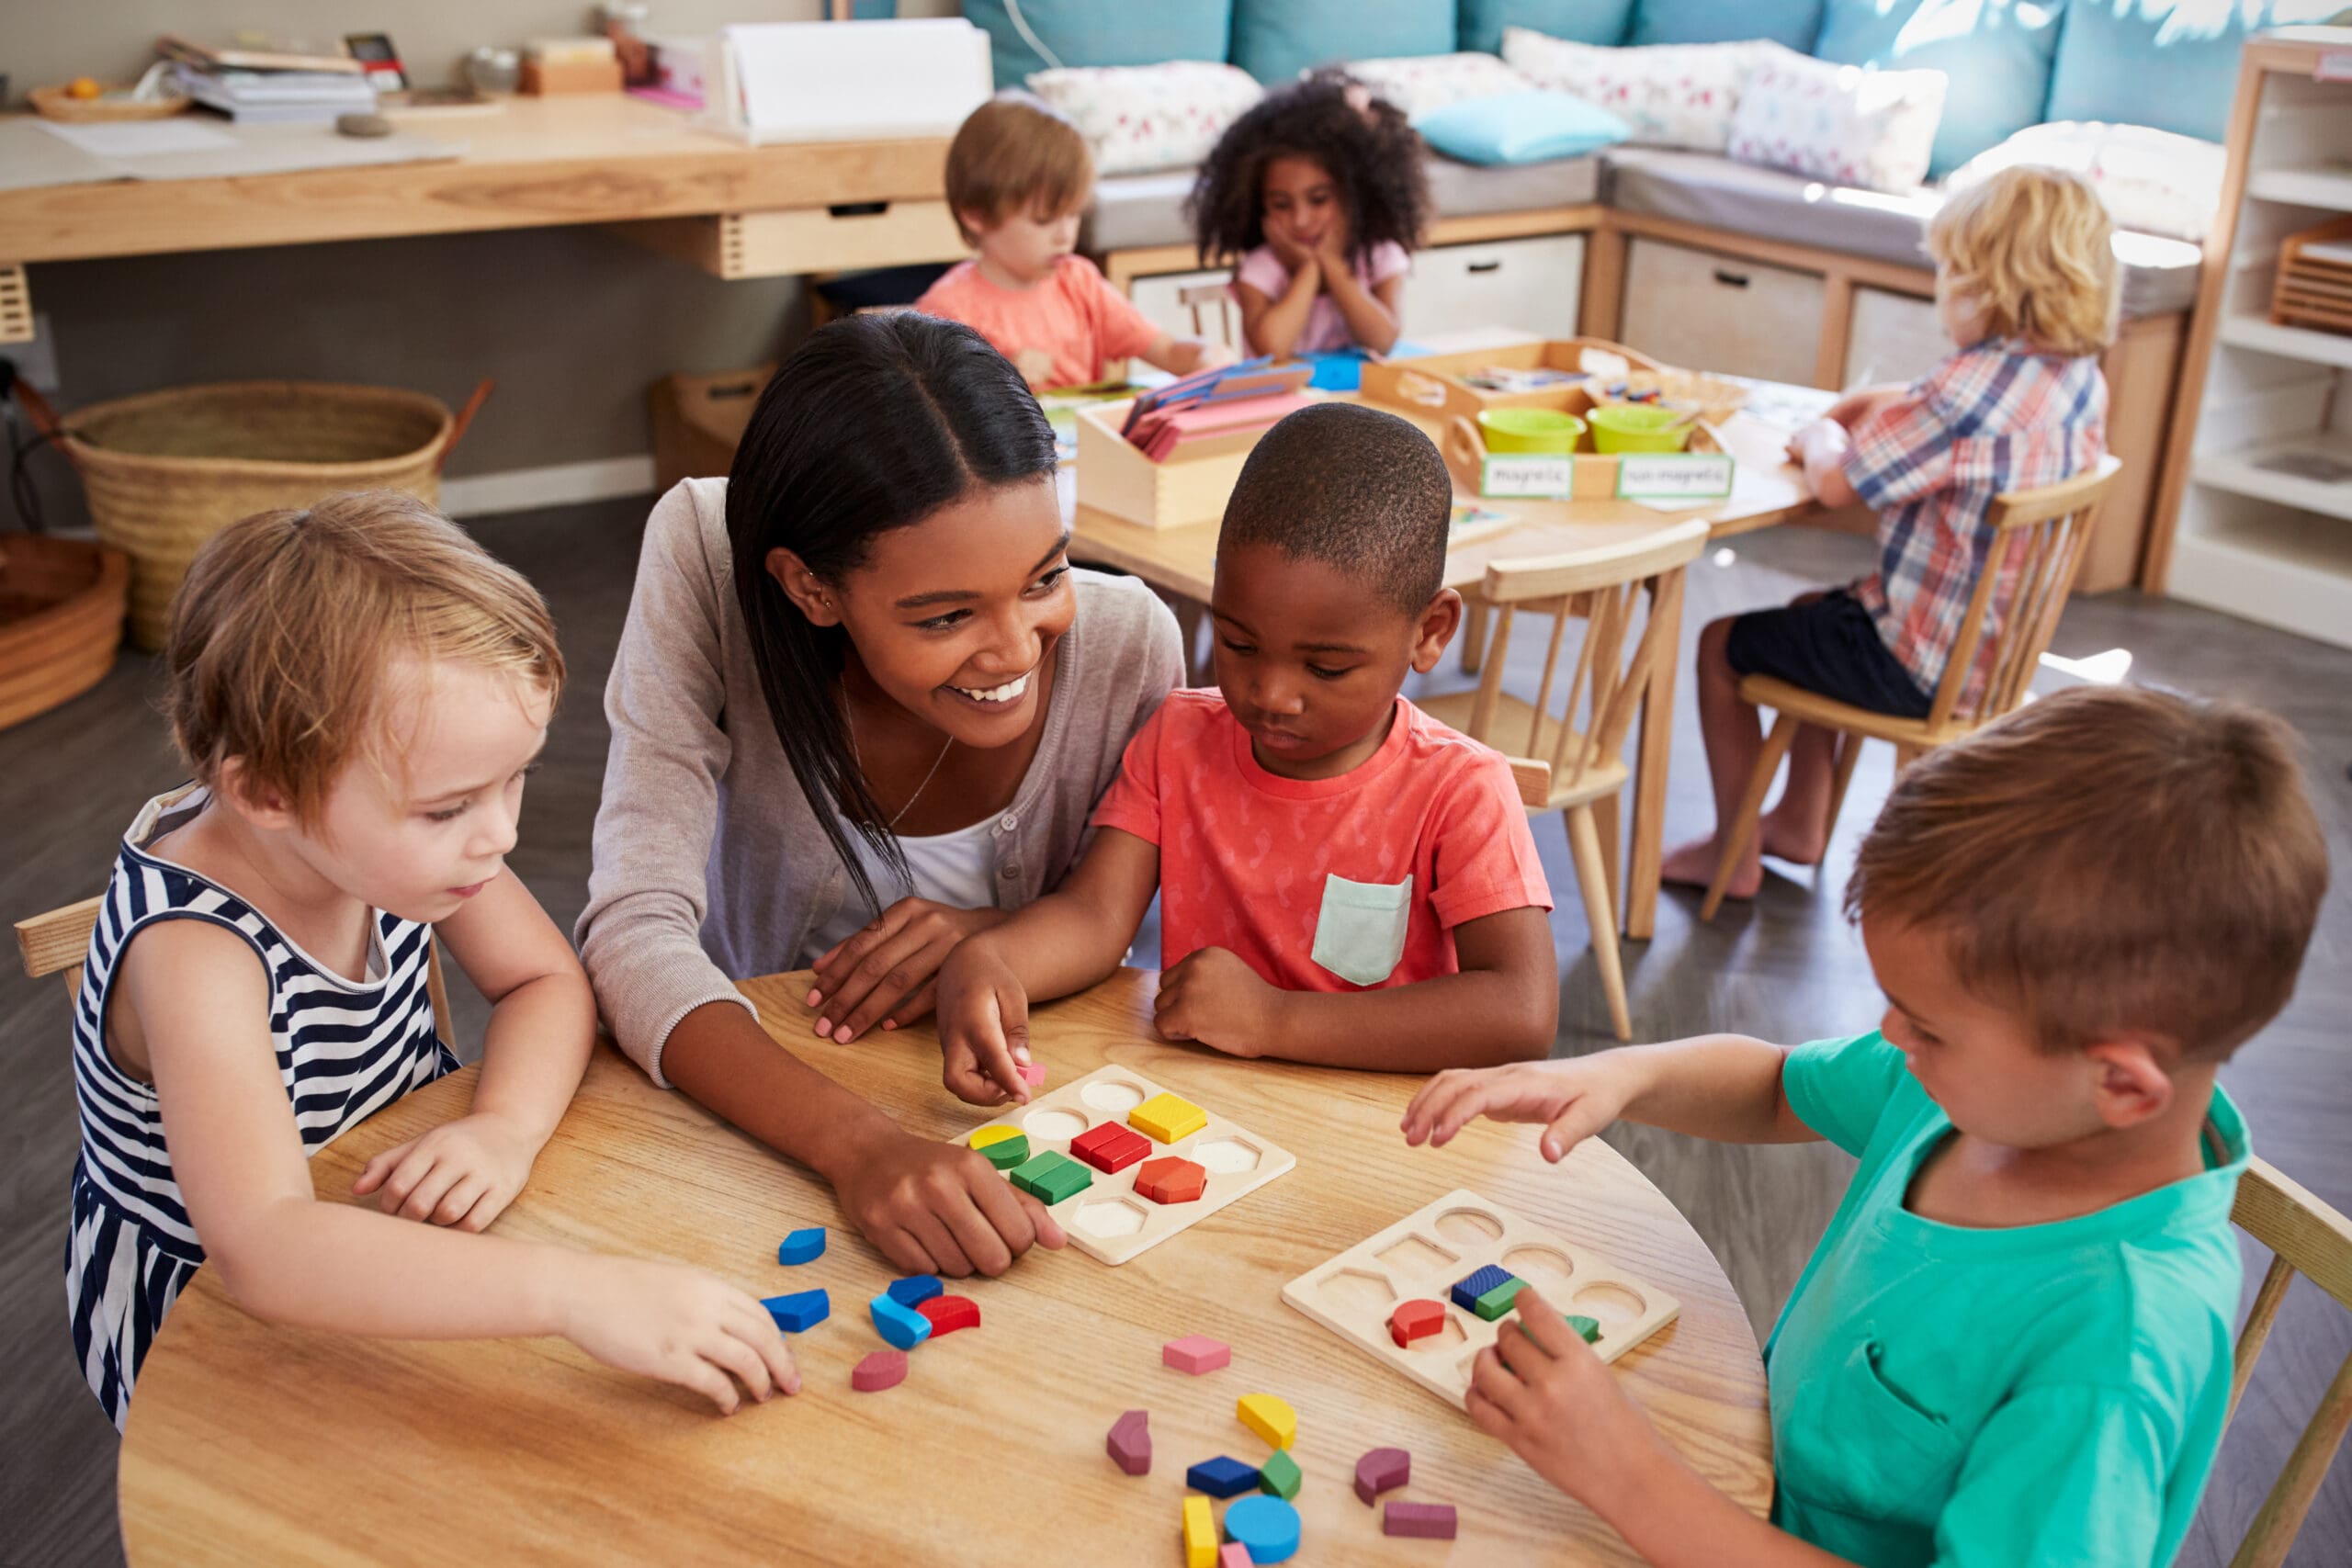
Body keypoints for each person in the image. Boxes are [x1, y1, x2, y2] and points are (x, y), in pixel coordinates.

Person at [1404, 684, 2329, 1567]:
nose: (1893, 1037)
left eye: (1924, 1026)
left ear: (2123, 1086)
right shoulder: (1982, 1094)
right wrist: (1618, 1072)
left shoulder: (2111, 1352)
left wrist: (1634, 1479)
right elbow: (1775, 1086)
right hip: (1738, 1490)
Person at [68, 494, 797, 1428]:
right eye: (450, 807)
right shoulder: (194, 955)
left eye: (514, 779)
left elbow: (543, 981)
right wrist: (573, 1294)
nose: (498, 834)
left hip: (393, 1205)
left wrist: (504, 1126)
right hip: (208, 1319)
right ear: (266, 794)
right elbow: (264, 1247)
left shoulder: (377, 836)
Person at [577, 312, 1186, 1275]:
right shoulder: (708, 551)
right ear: (810, 590)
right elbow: (631, 928)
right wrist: (858, 1148)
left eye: (1045, 576)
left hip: (1022, 1126)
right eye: (945, 615)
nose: (1016, 651)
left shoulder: (1130, 645)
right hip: (764, 1097)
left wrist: (995, 931)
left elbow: (1127, 939)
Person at [934, 402, 1556, 1101]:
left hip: (1381, 1132)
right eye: (1239, 644)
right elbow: (1096, 917)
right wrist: (992, 957)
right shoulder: (1179, 738)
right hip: (1206, 1113)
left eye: (1325, 668)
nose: (1271, 694)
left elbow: (1520, 1012)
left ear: (1430, 631)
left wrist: (1275, 1018)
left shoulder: (1461, 790)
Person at [1662, 164, 2116, 900]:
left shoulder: (1960, 391)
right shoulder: (2077, 377)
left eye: (1948, 275)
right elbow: (1961, 421)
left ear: (1987, 285)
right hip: (1990, 658)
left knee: (1723, 647)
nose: (1941, 293)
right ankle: (1800, 822)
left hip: (1916, 667)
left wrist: (1816, 434)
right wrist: (1892, 400)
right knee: (1814, 610)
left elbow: (1839, 481)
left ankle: (1732, 852)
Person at [915, 91, 1232, 389]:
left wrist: (1206, 356)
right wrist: (999, 379)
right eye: (1044, 220)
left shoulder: (1079, 282)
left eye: (1073, 214)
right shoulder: (947, 310)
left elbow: (1169, 350)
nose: (1065, 235)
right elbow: (932, 415)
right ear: (977, 215)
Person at [1189, 71, 1429, 361]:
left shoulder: (1380, 256)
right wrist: (1308, 271)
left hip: (1353, 404)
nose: (1301, 219)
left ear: (1356, 196)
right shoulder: (1261, 268)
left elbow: (1382, 341)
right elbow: (1272, 350)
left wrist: (1334, 266)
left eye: (1318, 200)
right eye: (1281, 204)